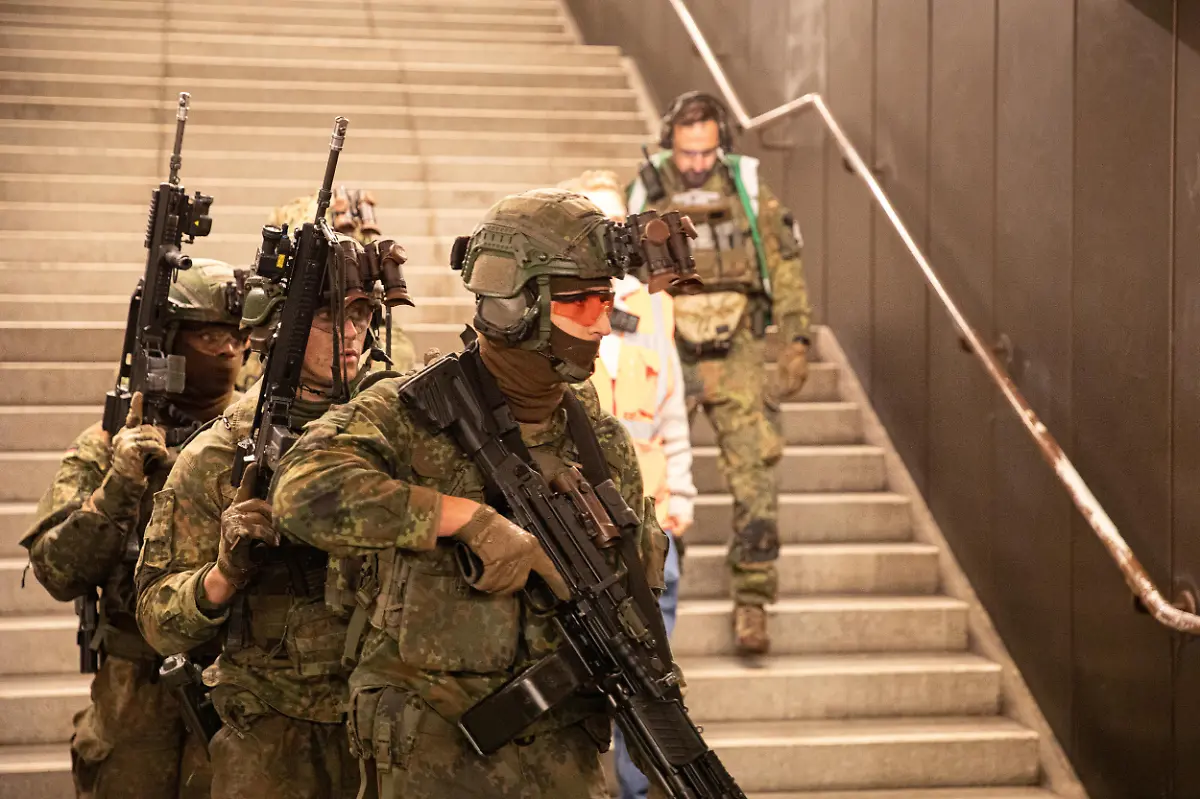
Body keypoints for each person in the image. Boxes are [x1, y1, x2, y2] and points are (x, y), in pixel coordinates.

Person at [268, 189, 671, 799]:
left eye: (605, 299)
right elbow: (301, 491)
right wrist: (463, 519)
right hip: (434, 755)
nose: (599, 320)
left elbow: (632, 589)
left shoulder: (601, 441)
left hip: (563, 761)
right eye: (578, 301)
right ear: (514, 307)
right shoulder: (411, 412)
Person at [134, 235, 413, 799]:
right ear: (280, 326)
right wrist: (222, 577)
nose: (351, 333)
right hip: (274, 735)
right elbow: (156, 621)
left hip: (391, 723)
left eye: (360, 314)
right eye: (329, 317)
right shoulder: (217, 456)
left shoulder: (399, 431)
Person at [21, 260, 248, 799]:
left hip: (232, 680)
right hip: (133, 688)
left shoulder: (255, 437)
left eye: (239, 336)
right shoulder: (107, 444)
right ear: (169, 343)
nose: (229, 352)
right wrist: (121, 481)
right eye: (211, 335)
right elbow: (57, 572)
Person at [627, 91, 812, 654]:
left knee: (754, 474)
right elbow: (626, 269)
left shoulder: (748, 184)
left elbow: (783, 261)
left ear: (721, 145)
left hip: (738, 347)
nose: (696, 164)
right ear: (671, 145)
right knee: (641, 464)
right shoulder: (648, 185)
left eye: (706, 153)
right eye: (686, 153)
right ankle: (642, 589)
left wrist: (797, 335)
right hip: (673, 342)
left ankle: (753, 603)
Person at [561, 170, 694, 799]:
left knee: (650, 674)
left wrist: (682, 500)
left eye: (616, 222)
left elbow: (671, 409)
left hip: (651, 517)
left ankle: (641, 790)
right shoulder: (551, 309)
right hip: (577, 524)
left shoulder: (651, 305)